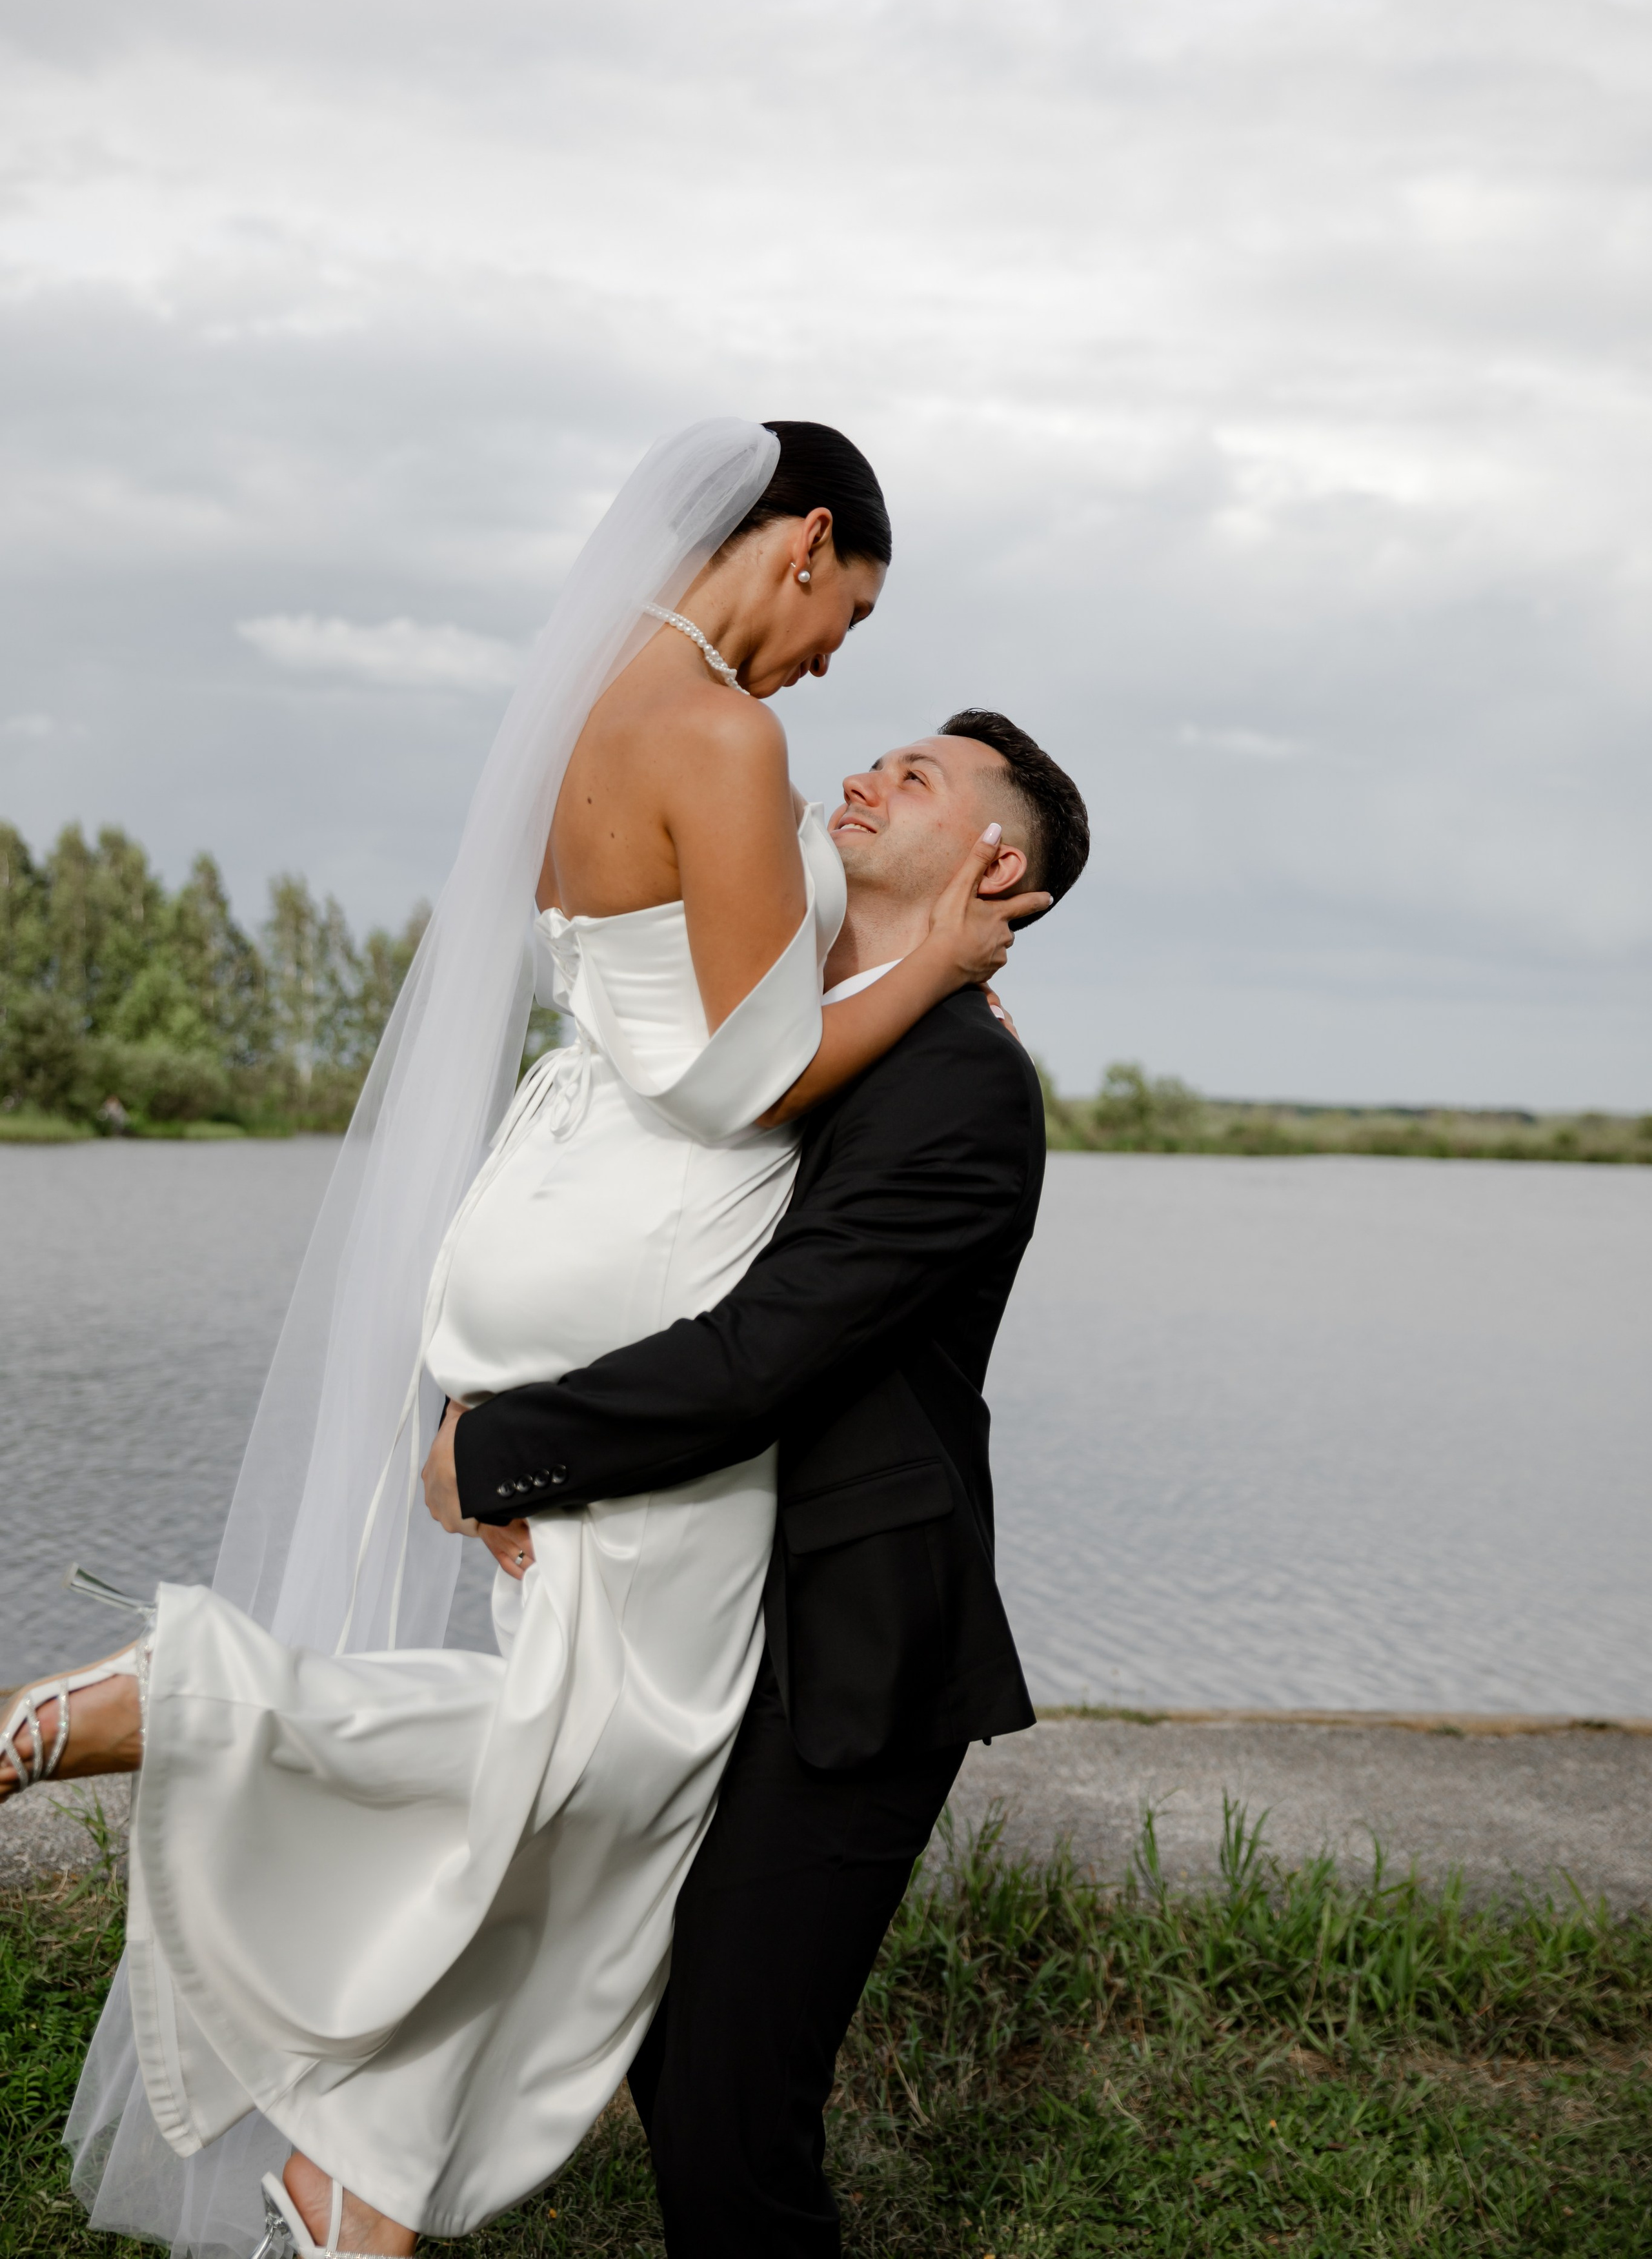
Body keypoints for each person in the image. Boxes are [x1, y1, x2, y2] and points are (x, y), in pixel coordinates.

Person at [2, 421, 1046, 2259]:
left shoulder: (606, 702)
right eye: (850, 616)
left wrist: (500, 1424)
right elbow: (737, 1080)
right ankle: (179, 1710)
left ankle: (358, 2183)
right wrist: (934, 970)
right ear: (801, 541)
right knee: (611, 1761)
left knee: (571, 1750)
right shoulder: (732, 737)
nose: (838, 680)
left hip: (542, 1207)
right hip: (638, 1247)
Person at [424, 707, 1090, 2258]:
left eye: (915, 776)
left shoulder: (959, 1092)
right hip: (682, 1608)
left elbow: (759, 1357)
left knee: (729, 2102)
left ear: (996, 861)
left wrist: (501, 1445)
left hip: (838, 1652)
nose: (862, 773)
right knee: (649, 2037)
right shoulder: (777, 1026)